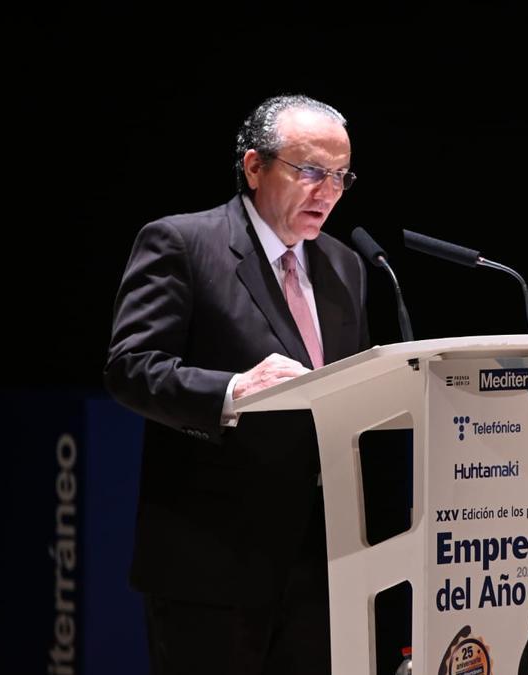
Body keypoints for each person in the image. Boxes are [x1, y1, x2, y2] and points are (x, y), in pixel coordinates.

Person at [105, 94, 370, 674]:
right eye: (310, 172)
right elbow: (131, 366)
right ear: (254, 167)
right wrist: (230, 392)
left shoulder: (346, 265)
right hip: (211, 565)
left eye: (341, 177)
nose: (327, 192)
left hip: (321, 566)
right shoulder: (182, 244)